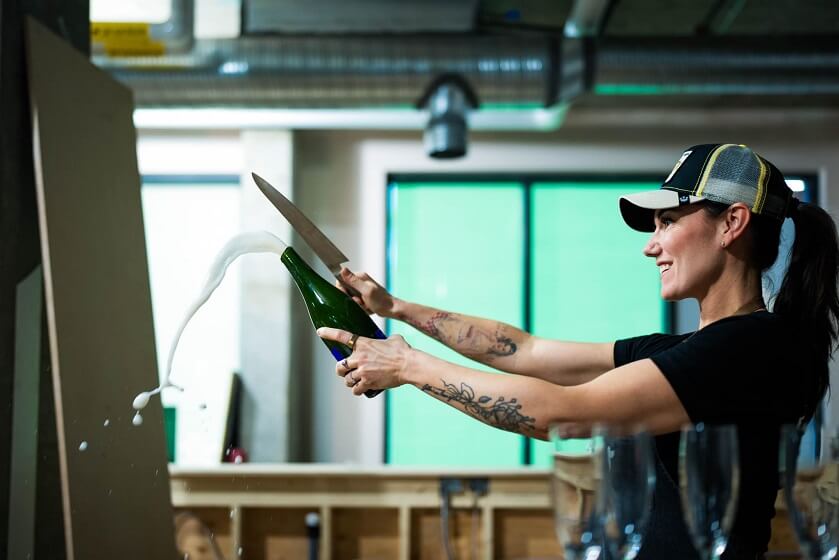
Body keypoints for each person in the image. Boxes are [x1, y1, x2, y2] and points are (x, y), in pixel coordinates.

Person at [318, 143, 839, 559]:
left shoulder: (749, 348)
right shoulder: (693, 350)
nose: (651, 245)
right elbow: (524, 351)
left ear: (732, 223)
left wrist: (407, 364)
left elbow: (560, 415)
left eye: (668, 221)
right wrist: (395, 307)